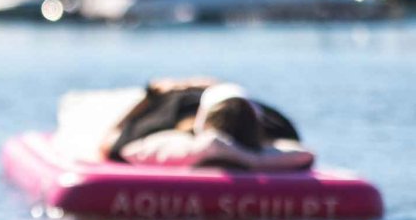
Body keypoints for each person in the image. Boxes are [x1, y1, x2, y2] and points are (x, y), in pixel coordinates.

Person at [97, 78, 312, 169]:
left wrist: (148, 98)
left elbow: (107, 146)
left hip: (188, 98)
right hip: (202, 98)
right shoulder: (279, 126)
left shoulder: (166, 114)